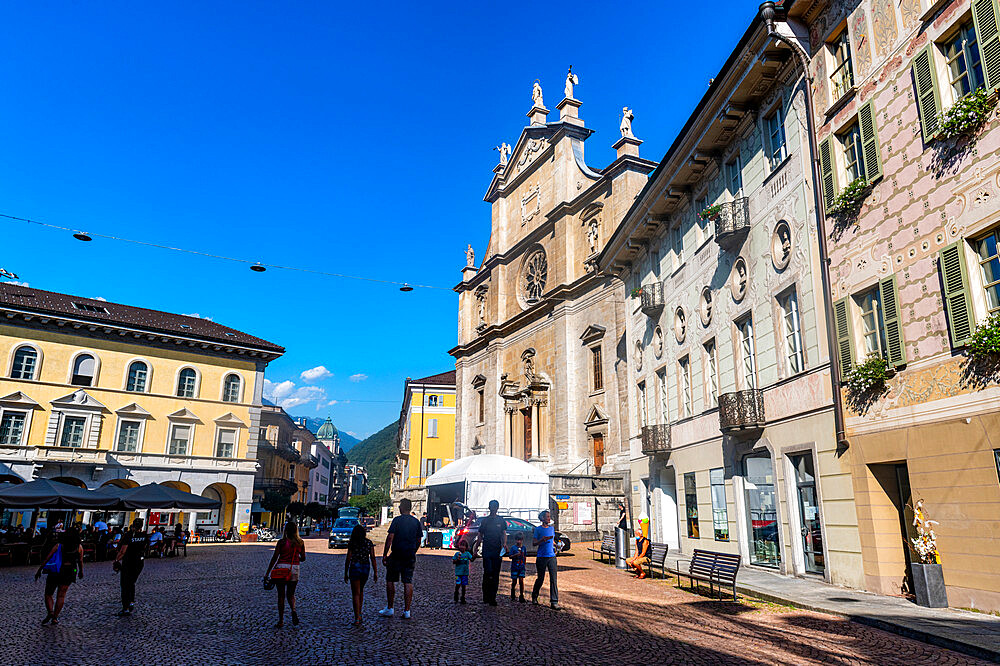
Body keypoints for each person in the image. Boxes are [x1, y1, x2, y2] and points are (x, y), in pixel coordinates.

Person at [379, 497, 421, 619]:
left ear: (401, 507)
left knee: (391, 579)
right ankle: (407, 611)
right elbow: (419, 539)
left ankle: (390, 608)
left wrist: (385, 554)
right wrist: (414, 550)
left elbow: (390, 538)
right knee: (408, 581)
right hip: (410, 554)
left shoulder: (397, 520)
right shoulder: (416, 522)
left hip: (397, 553)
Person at [36, 526, 84, 625]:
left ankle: (50, 612)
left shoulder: (59, 546)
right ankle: (55, 618)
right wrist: (80, 571)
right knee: (61, 595)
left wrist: (40, 569)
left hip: (56, 571)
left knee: (48, 593)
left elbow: (48, 558)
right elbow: (80, 561)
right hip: (70, 571)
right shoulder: (79, 547)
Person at [264, 521, 306, 628]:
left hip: (281, 569)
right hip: (294, 569)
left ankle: (281, 620)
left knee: (281, 595)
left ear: (285, 530)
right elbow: (303, 558)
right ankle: (293, 610)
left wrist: (267, 573)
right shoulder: (300, 542)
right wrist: (296, 557)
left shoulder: (282, 542)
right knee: (291, 594)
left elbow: (275, 557)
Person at [472, 499, 507, 606]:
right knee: (488, 573)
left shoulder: (501, 520)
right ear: (489, 508)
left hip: (497, 551)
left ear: (497, 508)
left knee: (495, 574)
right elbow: (480, 536)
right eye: (492, 507)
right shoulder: (485, 521)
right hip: (487, 550)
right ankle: (486, 596)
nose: (493, 509)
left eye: (495, 507)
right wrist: (475, 550)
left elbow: (504, 533)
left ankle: (492, 597)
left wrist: (504, 544)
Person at [114, 518, 149, 616]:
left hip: (129, 562)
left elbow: (123, 551)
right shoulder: (144, 536)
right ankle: (131, 602)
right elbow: (145, 548)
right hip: (139, 562)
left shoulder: (128, 535)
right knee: (132, 582)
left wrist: (116, 561)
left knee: (125, 584)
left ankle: (125, 608)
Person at [344, 524, 377, 626]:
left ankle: (357, 617)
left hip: (355, 567)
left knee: (355, 593)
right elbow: (373, 558)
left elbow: (348, 558)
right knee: (361, 591)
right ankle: (360, 613)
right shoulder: (368, 543)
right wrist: (375, 572)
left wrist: (345, 572)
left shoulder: (352, 543)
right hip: (365, 568)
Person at [531, 509, 561, 610]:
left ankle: (554, 601)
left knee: (554, 579)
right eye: (547, 517)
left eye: (549, 517)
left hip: (551, 556)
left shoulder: (552, 529)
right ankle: (534, 596)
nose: (549, 518)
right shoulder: (538, 529)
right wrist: (541, 540)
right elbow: (534, 543)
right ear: (542, 518)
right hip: (541, 557)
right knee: (540, 578)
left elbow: (552, 541)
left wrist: (557, 545)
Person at [452, 540, 473, 604]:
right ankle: (456, 594)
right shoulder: (457, 554)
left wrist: (475, 554)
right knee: (458, 584)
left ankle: (463, 597)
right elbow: (453, 562)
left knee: (464, 586)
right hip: (458, 573)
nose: (462, 547)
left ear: (466, 547)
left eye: (463, 545)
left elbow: (472, 559)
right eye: (461, 545)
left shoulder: (467, 554)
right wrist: (457, 560)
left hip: (465, 573)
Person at [508, 533, 527, 602]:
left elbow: (525, 556)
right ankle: (513, 592)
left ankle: (521, 595)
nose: (519, 542)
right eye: (517, 540)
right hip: (514, 567)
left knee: (521, 581)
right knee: (514, 581)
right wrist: (515, 555)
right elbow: (510, 556)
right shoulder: (513, 548)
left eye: (520, 540)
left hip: (521, 567)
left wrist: (524, 564)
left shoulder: (524, 548)